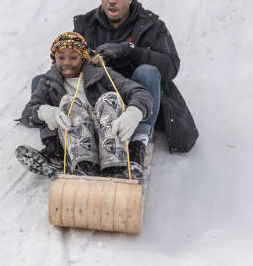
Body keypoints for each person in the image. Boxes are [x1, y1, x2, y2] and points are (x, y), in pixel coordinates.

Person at [73, 0, 198, 154]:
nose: (112, 0)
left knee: (147, 71)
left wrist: (130, 50)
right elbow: (69, 58)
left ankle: (140, 140)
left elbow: (171, 67)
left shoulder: (151, 25)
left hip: (141, 93)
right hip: (103, 92)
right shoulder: (86, 24)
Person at [19, 32, 153, 179]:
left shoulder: (101, 74)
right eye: (61, 57)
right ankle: (84, 166)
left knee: (110, 98)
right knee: (70, 102)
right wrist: (44, 111)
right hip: (75, 142)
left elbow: (140, 93)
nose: (66, 63)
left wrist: (133, 113)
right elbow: (27, 114)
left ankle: (115, 168)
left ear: (83, 58)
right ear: (54, 58)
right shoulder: (49, 82)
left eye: (73, 57)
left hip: (108, 137)